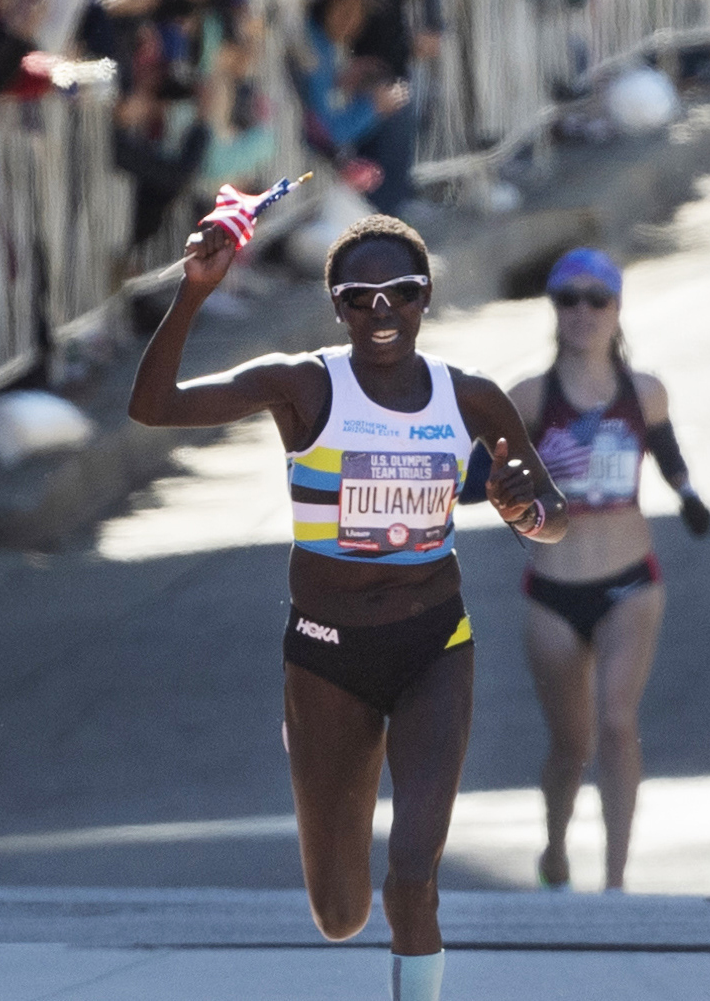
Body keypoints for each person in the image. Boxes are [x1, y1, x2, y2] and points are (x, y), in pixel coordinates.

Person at [129, 211, 567, 1001]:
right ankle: (321, 755)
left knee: (413, 877)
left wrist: (519, 510)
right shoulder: (301, 385)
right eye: (359, 296)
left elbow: (552, 514)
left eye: (399, 292)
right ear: (336, 306)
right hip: (326, 656)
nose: (381, 311)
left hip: (435, 645)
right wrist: (193, 293)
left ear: (425, 297)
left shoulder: (469, 398)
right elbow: (154, 407)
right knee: (340, 912)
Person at [502, 248, 710, 891]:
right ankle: (556, 846)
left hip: (629, 581)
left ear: (618, 309)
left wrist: (688, 494)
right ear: (554, 309)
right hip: (553, 590)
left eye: (598, 299)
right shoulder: (531, 397)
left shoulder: (643, 393)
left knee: (618, 724)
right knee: (572, 745)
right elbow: (493, 473)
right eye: (569, 299)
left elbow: (667, 449)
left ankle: (616, 882)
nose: (584, 312)